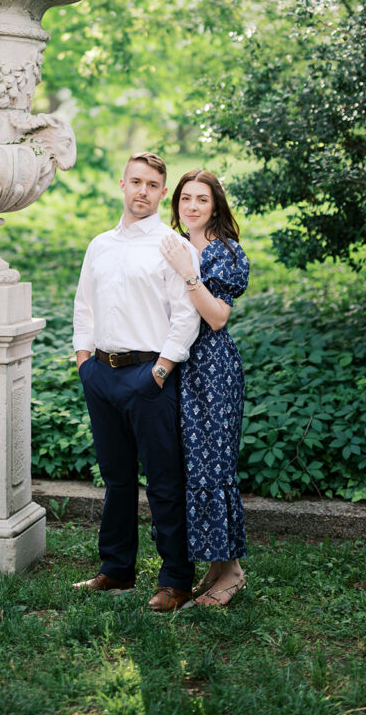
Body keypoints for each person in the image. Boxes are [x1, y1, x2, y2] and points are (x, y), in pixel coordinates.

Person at [72, 152, 201, 612]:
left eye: (152, 185)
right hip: (101, 375)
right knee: (117, 479)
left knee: (164, 481)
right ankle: (117, 570)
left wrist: (161, 370)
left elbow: (186, 316)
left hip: (150, 377)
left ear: (162, 193)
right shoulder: (100, 245)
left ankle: (175, 581)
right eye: (136, 182)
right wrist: (84, 361)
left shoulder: (172, 246)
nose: (142, 191)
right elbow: (84, 305)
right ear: (121, 185)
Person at [160, 169, 249, 607]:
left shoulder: (224, 253)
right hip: (177, 364)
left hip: (212, 370)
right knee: (192, 467)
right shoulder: (172, 245)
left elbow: (216, 318)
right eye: (185, 199)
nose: (191, 207)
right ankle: (214, 568)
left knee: (214, 466)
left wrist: (188, 274)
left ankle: (232, 572)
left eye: (202, 200)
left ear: (216, 206)